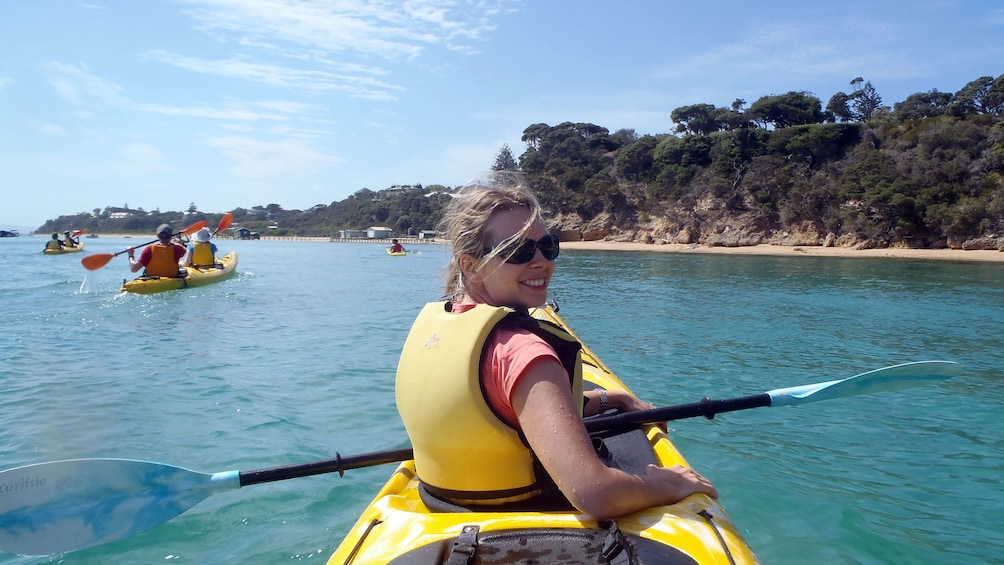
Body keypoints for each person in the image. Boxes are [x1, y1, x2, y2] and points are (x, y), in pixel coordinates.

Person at [395, 171, 718, 521]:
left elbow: (506, 409)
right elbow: (596, 494)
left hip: (444, 508)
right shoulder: (523, 351)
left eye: (548, 246)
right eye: (518, 250)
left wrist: (615, 398)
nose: (542, 262)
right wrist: (665, 485)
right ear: (471, 266)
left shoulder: (438, 326)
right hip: (525, 514)